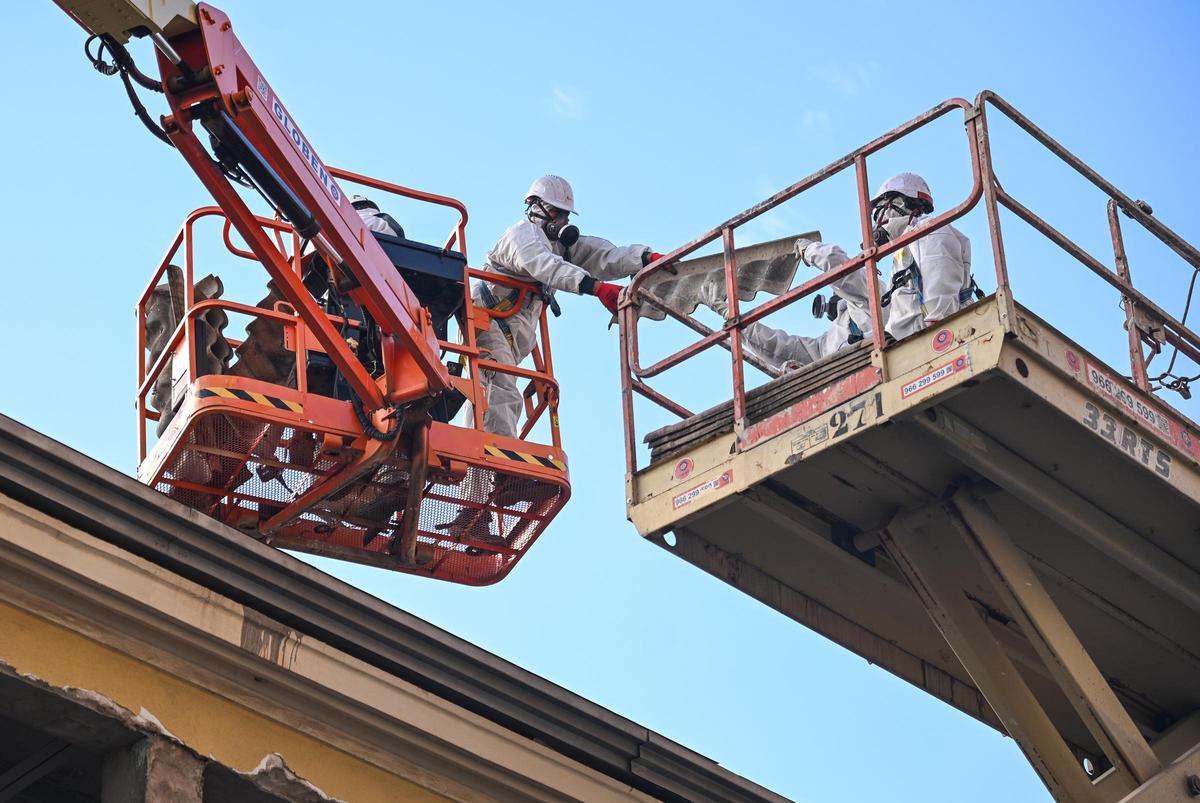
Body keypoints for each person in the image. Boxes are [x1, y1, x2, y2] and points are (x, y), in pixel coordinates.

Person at [472, 174, 664, 438]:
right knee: (498, 385)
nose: (561, 221)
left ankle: (495, 461)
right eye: (555, 212)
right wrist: (596, 288)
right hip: (486, 319)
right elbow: (545, 265)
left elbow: (602, 255)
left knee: (500, 383)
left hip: (512, 329)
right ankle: (495, 464)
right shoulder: (522, 234)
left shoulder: (558, 246)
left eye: (564, 214)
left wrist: (645, 258)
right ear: (535, 208)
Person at [869, 173, 973, 342]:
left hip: (930, 339)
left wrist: (939, 334)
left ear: (898, 203)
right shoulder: (903, 248)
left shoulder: (927, 231)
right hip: (906, 342)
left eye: (880, 210)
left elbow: (941, 285)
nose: (878, 221)